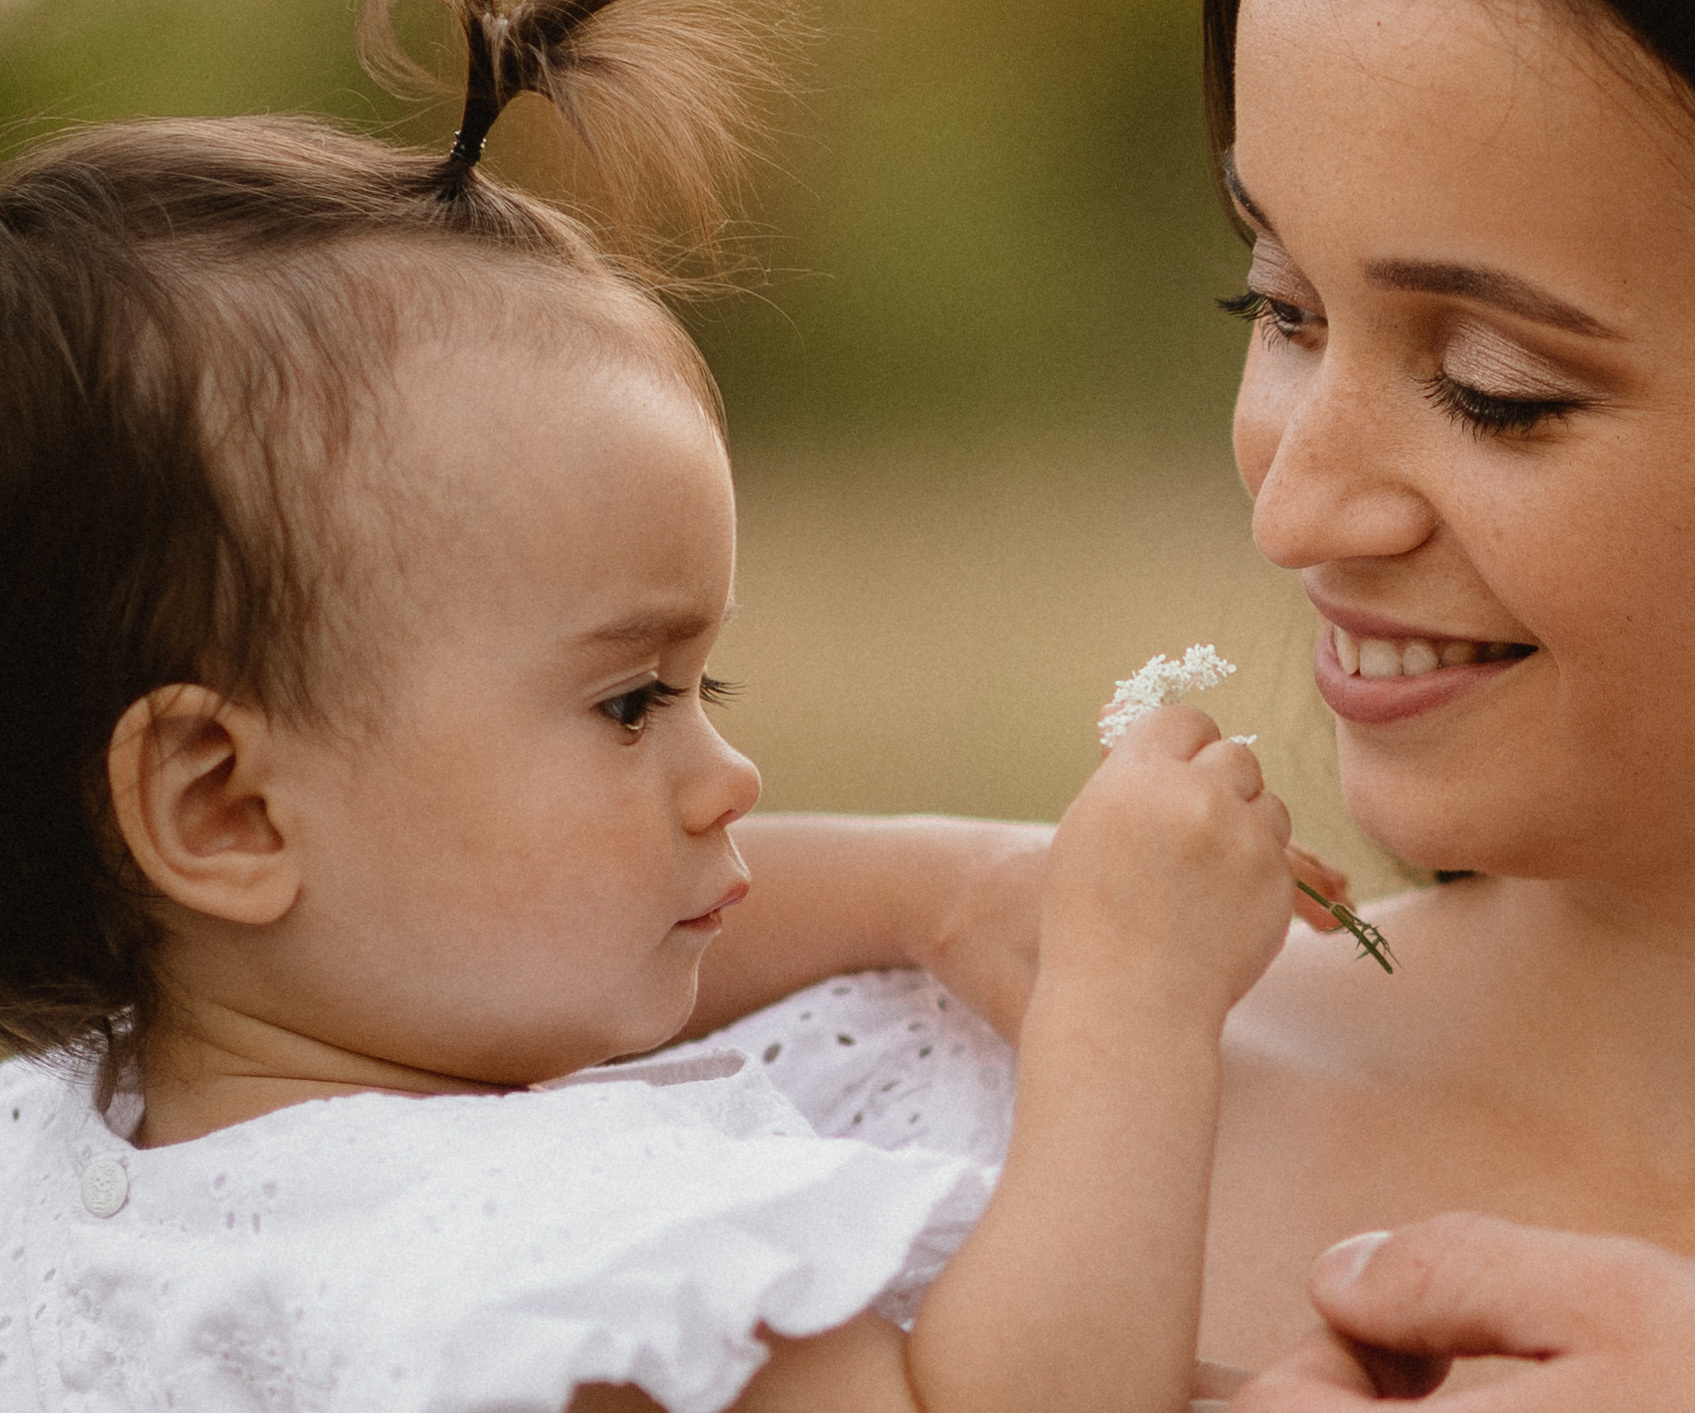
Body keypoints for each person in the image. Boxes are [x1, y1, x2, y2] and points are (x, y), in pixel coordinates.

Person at [0, 2, 1300, 1409]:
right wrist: (1130, 1003)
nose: (730, 776)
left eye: (708, 686)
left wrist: (940, 889)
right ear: (220, 802)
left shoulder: (110, 1155)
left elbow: (577, 909)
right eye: (632, 701)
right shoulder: (563, 1274)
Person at [700, 0, 1695, 1403]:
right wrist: (915, 884)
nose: (1293, 512)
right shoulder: (957, 1146)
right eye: (1282, 307)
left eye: (1498, 391)